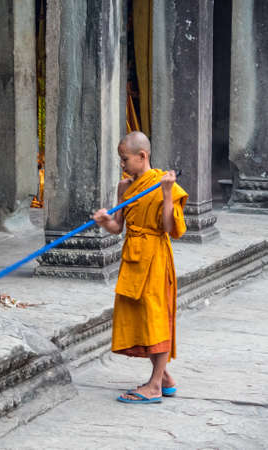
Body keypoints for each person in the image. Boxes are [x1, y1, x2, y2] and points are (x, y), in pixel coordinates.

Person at [93, 131, 188, 404]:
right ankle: (165, 377)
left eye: (125, 159)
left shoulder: (161, 184)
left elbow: (171, 229)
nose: (122, 165)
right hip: (133, 257)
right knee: (140, 317)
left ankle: (155, 385)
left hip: (155, 257)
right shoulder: (125, 187)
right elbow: (117, 227)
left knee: (155, 318)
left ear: (142, 156)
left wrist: (167, 193)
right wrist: (104, 220)